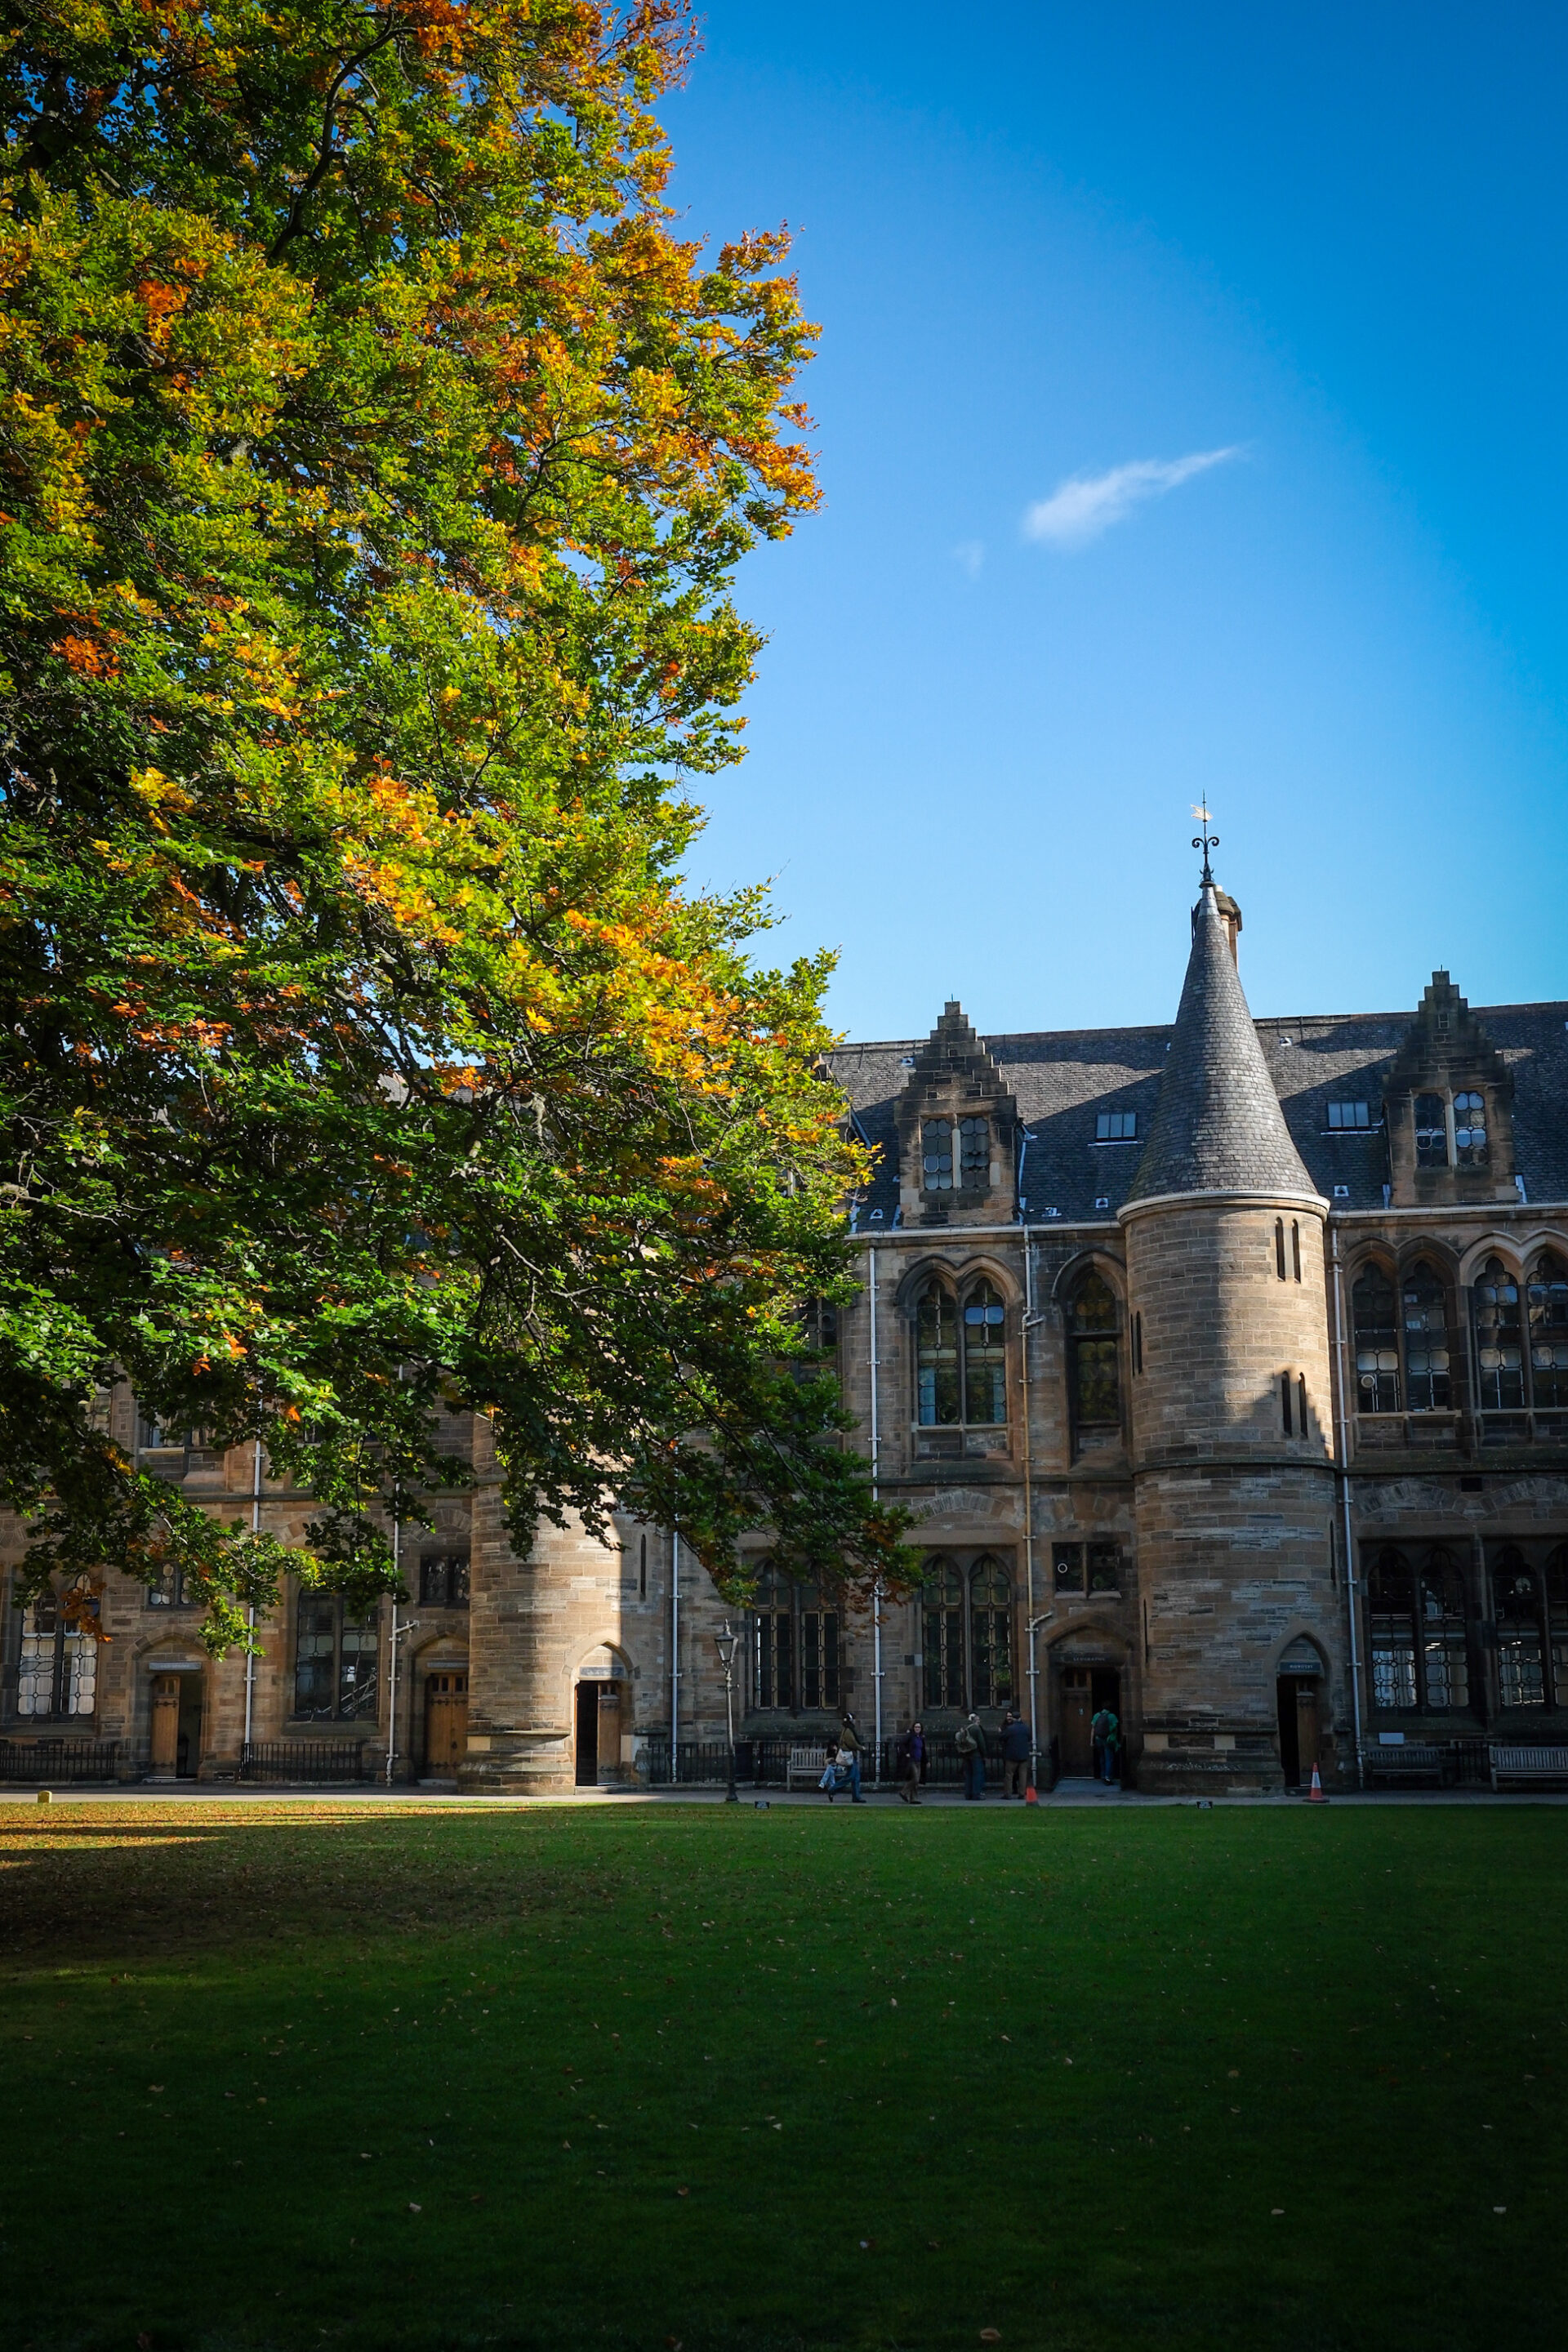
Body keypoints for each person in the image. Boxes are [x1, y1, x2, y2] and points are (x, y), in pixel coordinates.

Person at [955, 1710, 987, 1800]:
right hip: (976, 1754)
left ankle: (968, 1794)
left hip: (966, 1754)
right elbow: (981, 1743)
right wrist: (984, 1754)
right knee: (977, 1774)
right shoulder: (976, 1728)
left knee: (968, 1775)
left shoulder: (965, 1728)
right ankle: (976, 1794)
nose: (979, 1721)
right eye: (978, 1719)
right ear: (974, 1720)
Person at [1000, 1707, 1031, 1797]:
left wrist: (1000, 1733)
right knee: (1023, 1775)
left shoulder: (1010, 1729)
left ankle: (1008, 1794)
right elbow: (1030, 1738)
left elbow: (1002, 1738)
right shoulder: (1026, 1728)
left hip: (1012, 1755)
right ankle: (1022, 1793)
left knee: (1009, 1775)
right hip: (1024, 1755)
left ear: (1013, 1718)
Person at [837, 1712, 867, 1802]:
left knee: (856, 1777)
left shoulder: (848, 1729)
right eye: (853, 1719)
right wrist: (861, 1748)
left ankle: (856, 1797)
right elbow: (852, 1743)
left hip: (851, 1755)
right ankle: (833, 1789)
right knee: (850, 1777)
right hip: (849, 1756)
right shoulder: (848, 1731)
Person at [896, 1719, 925, 1803]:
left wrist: (926, 1761)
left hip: (919, 1761)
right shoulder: (910, 1736)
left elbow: (923, 1750)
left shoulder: (921, 1737)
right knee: (915, 1779)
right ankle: (903, 1792)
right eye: (916, 1727)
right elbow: (902, 1744)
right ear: (913, 1728)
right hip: (911, 1760)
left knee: (916, 1780)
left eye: (919, 1727)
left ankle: (913, 1798)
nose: (917, 1729)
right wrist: (906, 1753)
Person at [1090, 1704, 1120, 1785]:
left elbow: (1093, 1729)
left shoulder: (1096, 1715)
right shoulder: (1112, 1716)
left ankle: (1102, 1775)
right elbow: (1115, 1729)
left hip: (1098, 1739)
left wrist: (1091, 1741)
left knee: (1102, 1757)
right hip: (1108, 1740)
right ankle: (1108, 1777)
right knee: (1109, 1758)